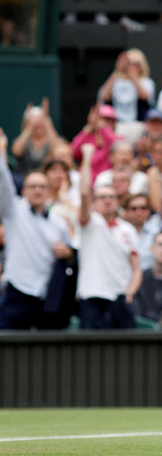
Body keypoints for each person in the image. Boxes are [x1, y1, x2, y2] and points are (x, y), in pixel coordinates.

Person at [0, 130, 73, 330]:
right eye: (32, 186)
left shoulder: (58, 221)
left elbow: (72, 251)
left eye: (42, 186)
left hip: (47, 297)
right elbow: (3, 182)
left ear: (49, 190)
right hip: (17, 292)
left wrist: (68, 253)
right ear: (24, 191)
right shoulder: (13, 211)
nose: (38, 190)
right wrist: (1, 151)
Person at [77, 143, 142, 329]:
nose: (107, 201)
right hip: (92, 295)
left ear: (117, 202)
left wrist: (130, 291)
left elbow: (136, 268)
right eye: (102, 197)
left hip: (120, 297)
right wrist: (87, 158)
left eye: (111, 197)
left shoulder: (127, 229)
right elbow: (83, 192)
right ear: (94, 202)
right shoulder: (90, 223)